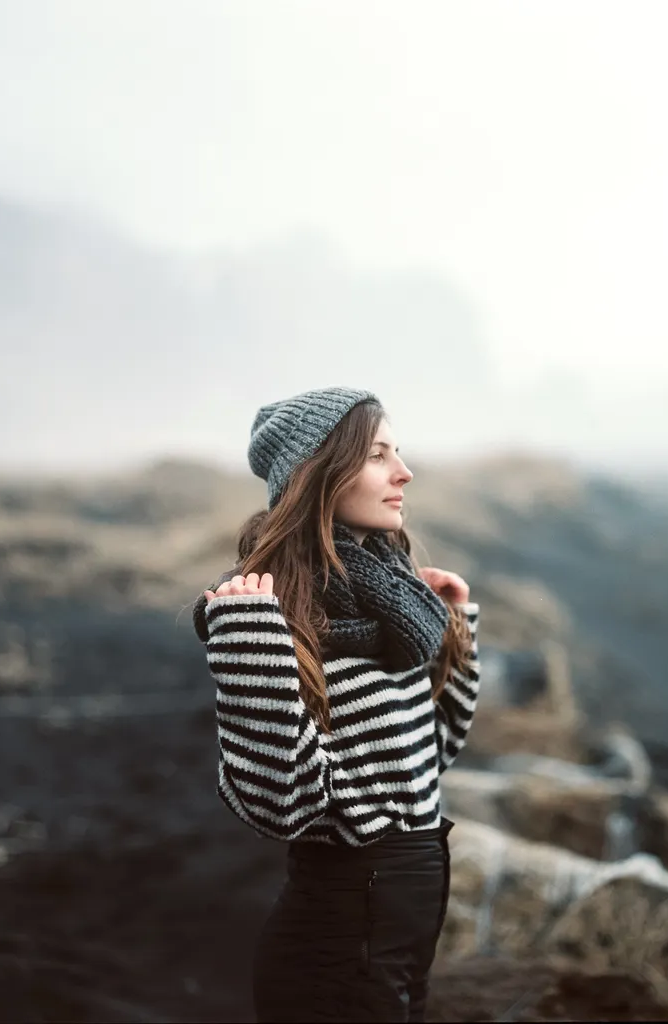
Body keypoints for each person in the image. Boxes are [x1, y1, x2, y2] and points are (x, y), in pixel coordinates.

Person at [189, 386, 483, 1023]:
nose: (404, 472)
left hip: (403, 942)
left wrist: (453, 631)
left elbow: (435, 754)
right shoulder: (275, 620)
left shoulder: (394, 608)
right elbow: (282, 803)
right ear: (319, 473)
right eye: (379, 455)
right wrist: (248, 646)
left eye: (397, 452)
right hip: (335, 956)